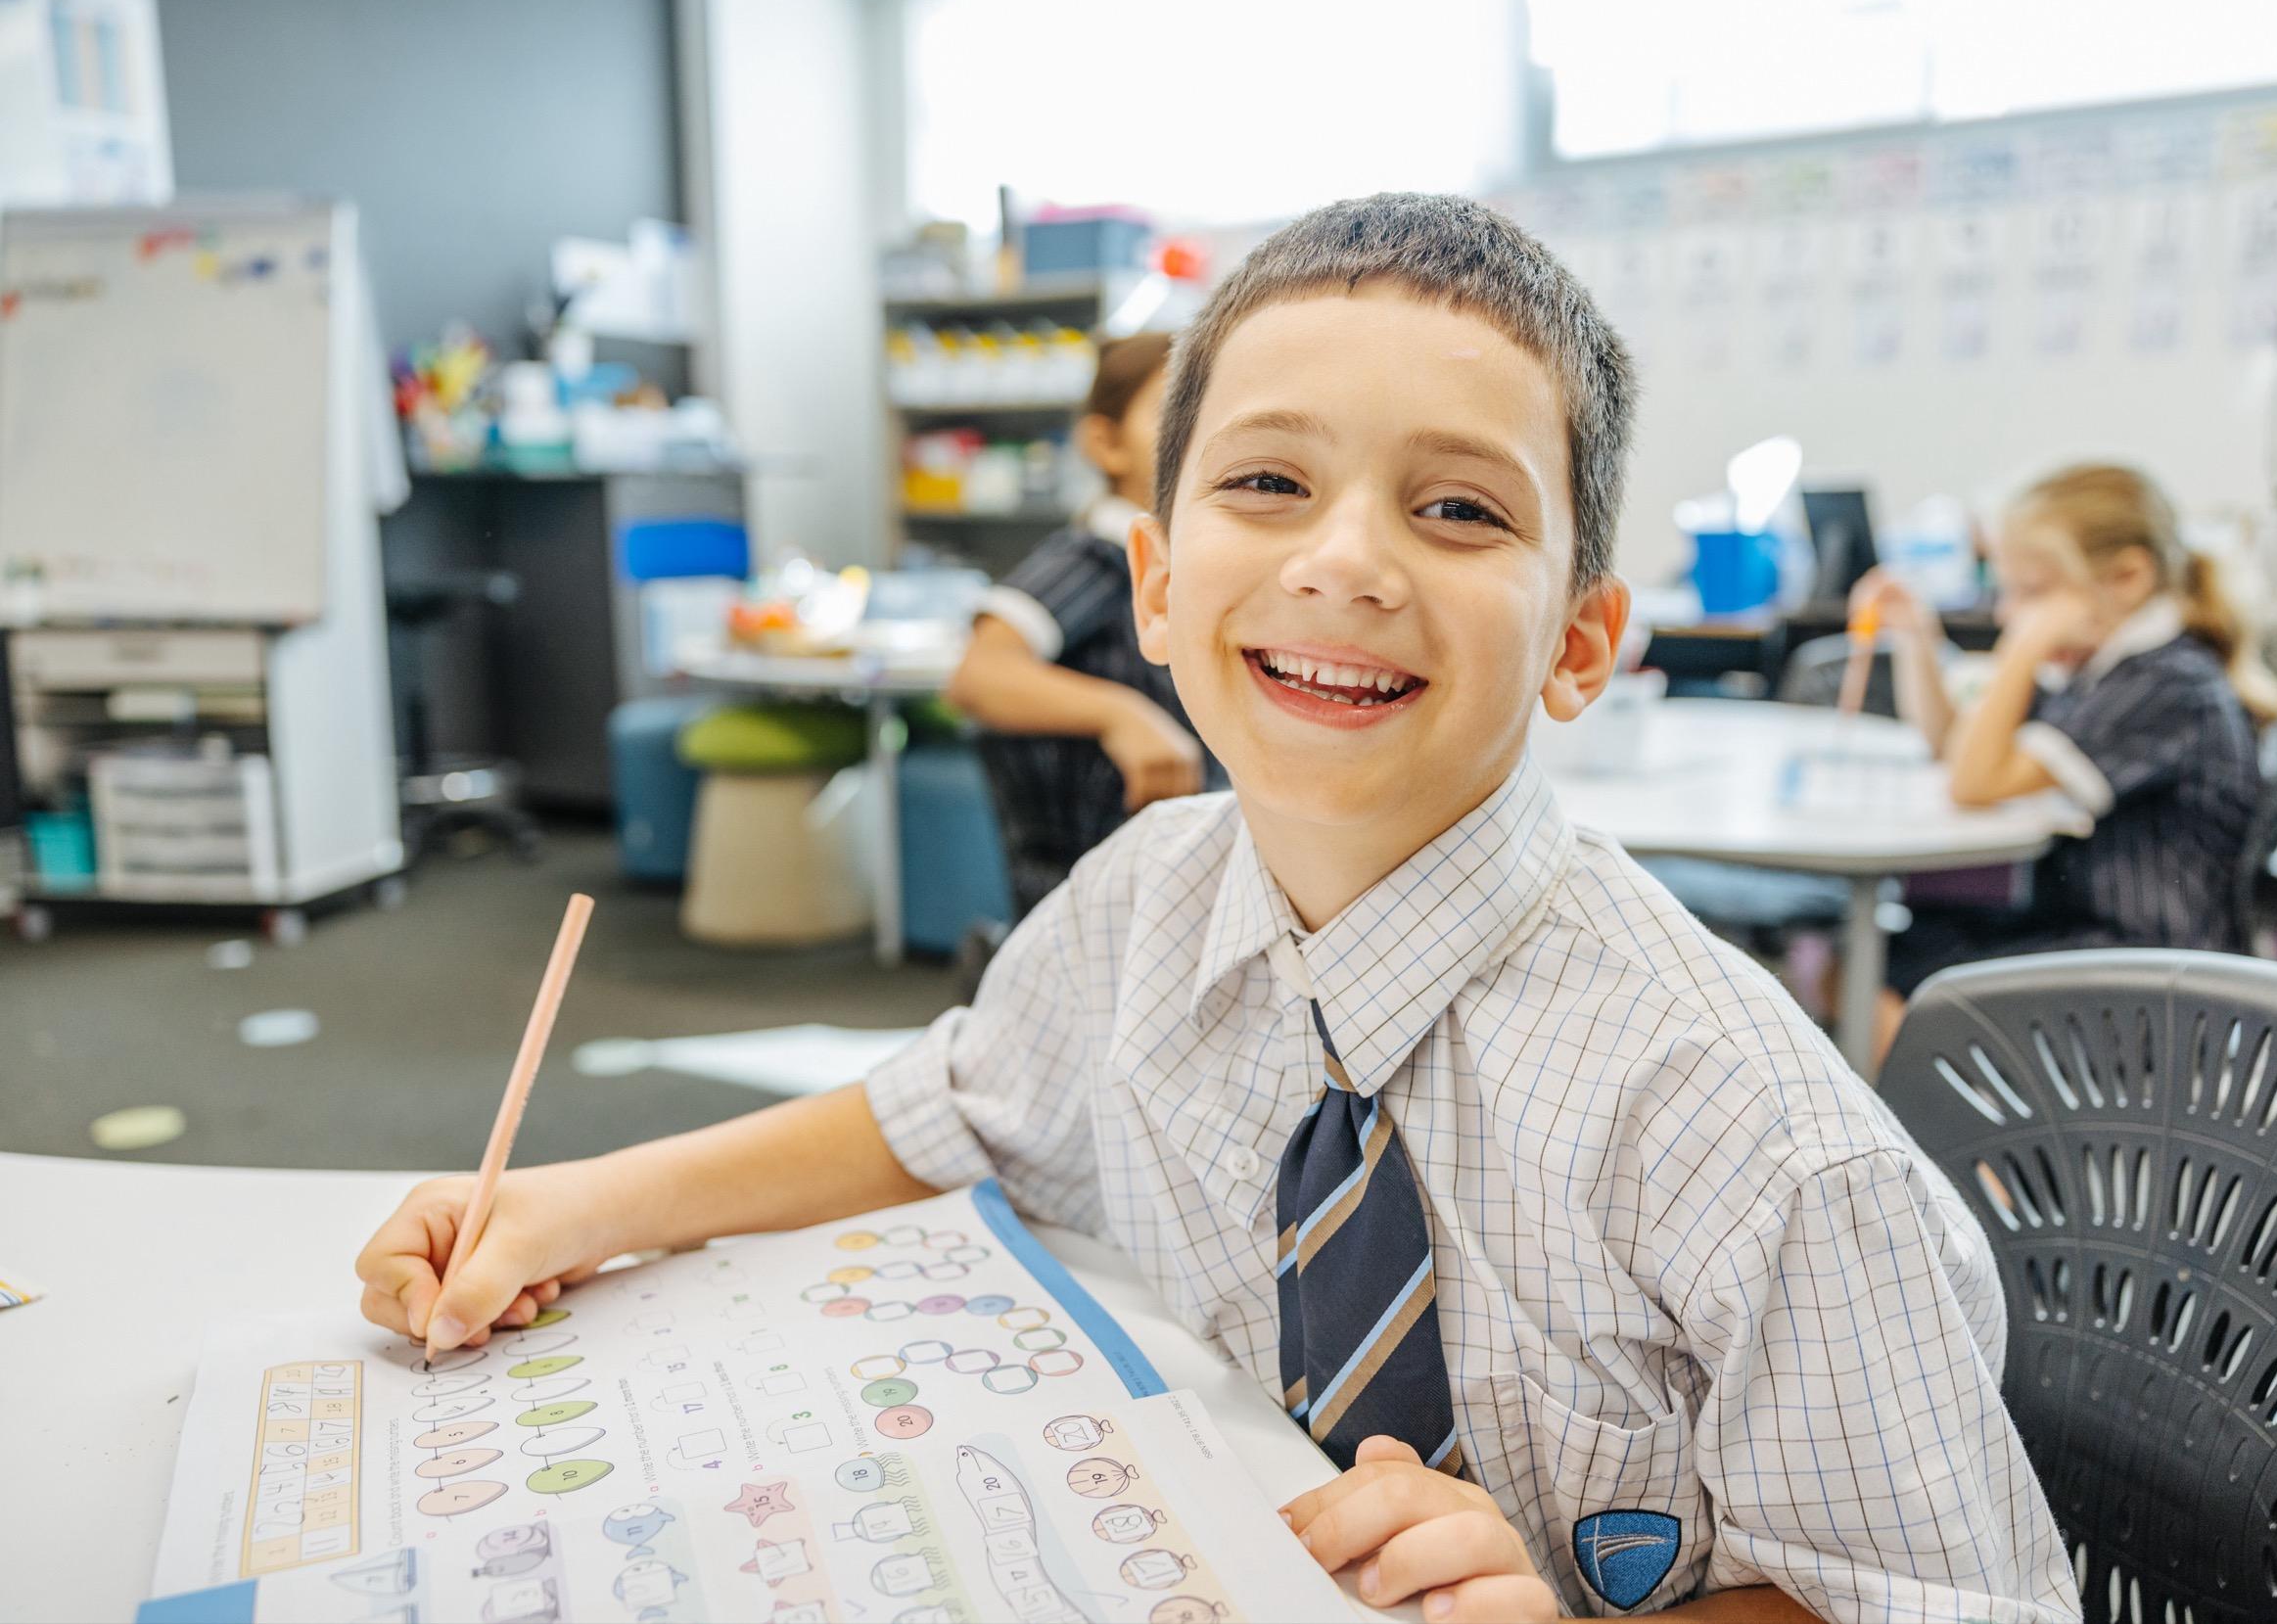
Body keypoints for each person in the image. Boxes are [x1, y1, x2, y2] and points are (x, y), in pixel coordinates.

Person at [355, 195, 2076, 1624]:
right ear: (1161, 588)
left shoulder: (1751, 1140)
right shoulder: (1148, 899)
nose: (1346, 559)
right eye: (1268, 484)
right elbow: (950, 1106)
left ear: (1578, 641)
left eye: (1460, 507)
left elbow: (1928, 1603)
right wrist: (574, 1206)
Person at [1858, 462, 2277, 1059]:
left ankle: (1957, 1150)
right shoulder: (2100, 668)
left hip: (2149, 960)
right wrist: (1917, 640)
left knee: (1905, 989)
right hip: (2094, 931)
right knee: (1881, 955)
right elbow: (1957, 752)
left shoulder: (2166, 683)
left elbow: (1973, 784)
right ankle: (1954, 1143)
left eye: (2030, 593)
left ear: (2128, 577)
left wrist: (2024, 644)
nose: (2008, 611)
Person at [946, 331, 1218, 918]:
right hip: (1092, 900)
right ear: (1106, 442)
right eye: (1176, 410)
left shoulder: (1195, 565)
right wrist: (1122, 713)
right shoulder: (1093, 557)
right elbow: (979, 674)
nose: (1202, 434)